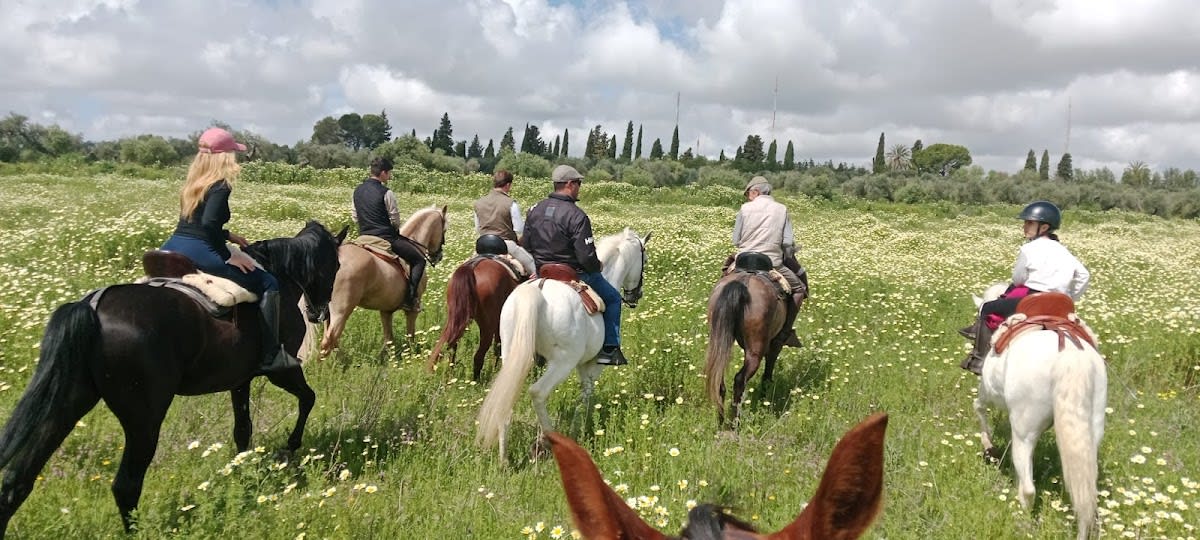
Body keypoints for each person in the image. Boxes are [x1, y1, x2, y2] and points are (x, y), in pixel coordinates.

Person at [160, 127, 298, 373]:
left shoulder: (193, 183)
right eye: (233, 153)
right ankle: (270, 355)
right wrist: (229, 254)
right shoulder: (220, 185)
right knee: (268, 282)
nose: (236, 159)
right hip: (201, 250)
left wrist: (228, 235)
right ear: (224, 157)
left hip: (173, 245)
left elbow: (196, 222)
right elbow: (209, 224)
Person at [958, 201, 1091, 375]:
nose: (1024, 226)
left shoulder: (1029, 248)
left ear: (1043, 227)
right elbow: (1084, 276)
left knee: (987, 307)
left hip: (1031, 301)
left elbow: (1018, 278)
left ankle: (979, 360)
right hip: (1059, 304)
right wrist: (1070, 298)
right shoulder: (1064, 251)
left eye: (1029, 223)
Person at [523, 165, 628, 366]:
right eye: (579, 183)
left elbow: (526, 244)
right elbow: (586, 256)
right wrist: (597, 266)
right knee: (613, 298)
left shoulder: (535, 210)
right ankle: (610, 349)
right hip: (573, 274)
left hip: (542, 273)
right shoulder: (577, 215)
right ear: (570, 184)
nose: (580, 187)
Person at [733, 176, 806, 348]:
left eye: (748, 194)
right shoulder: (782, 209)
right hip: (770, 263)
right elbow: (787, 243)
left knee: (723, 279)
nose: (747, 198)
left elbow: (736, 240)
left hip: (743, 261)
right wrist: (788, 253)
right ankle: (785, 331)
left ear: (756, 192)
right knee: (798, 290)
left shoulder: (744, 209)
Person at [351, 157, 429, 311]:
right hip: (384, 238)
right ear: (383, 173)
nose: (390, 176)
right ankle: (411, 299)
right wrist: (390, 228)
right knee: (419, 260)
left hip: (363, 237)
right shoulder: (386, 192)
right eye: (389, 173)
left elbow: (354, 216)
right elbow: (395, 220)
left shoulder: (357, 190)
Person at [473, 169, 536, 275]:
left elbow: (477, 228)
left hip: (482, 245)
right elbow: (519, 229)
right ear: (508, 185)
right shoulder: (511, 203)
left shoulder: (478, 203)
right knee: (533, 265)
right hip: (506, 245)